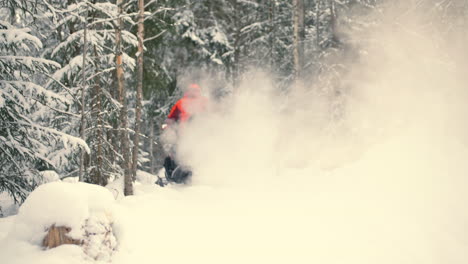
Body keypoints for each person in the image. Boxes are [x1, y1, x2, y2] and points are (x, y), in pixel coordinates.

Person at [160, 83, 208, 184]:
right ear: (188, 91)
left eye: (195, 91)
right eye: (191, 90)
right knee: (175, 151)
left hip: (199, 132)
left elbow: (211, 114)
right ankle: (174, 171)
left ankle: (193, 172)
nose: (193, 93)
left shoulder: (204, 102)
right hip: (182, 132)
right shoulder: (181, 102)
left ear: (199, 92)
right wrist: (168, 125)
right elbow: (172, 117)